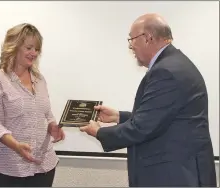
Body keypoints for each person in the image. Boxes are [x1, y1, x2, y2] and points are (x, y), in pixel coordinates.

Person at [80, 13, 217, 187]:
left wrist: (99, 132)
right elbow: (161, 118)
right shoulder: (175, 64)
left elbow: (142, 127)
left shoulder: (166, 71)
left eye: (132, 40)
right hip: (180, 170)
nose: (131, 47)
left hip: (173, 176)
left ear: (147, 38)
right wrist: (118, 117)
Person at [0, 23, 65, 187]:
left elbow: (46, 114)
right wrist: (16, 145)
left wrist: (52, 126)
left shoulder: (39, 80)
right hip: (9, 169)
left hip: (44, 165)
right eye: (29, 48)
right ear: (14, 46)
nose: (34, 53)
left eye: (37, 49)